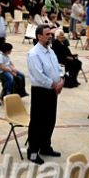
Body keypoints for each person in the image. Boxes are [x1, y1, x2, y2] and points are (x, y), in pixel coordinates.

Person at [26, 25, 63, 164]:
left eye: (50, 34)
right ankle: (33, 152)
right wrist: (54, 84)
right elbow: (38, 75)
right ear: (39, 36)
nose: (50, 36)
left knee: (50, 120)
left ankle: (45, 146)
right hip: (41, 92)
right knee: (37, 122)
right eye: (47, 34)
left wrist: (62, 80)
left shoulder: (50, 51)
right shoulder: (34, 54)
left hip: (52, 91)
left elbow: (58, 68)